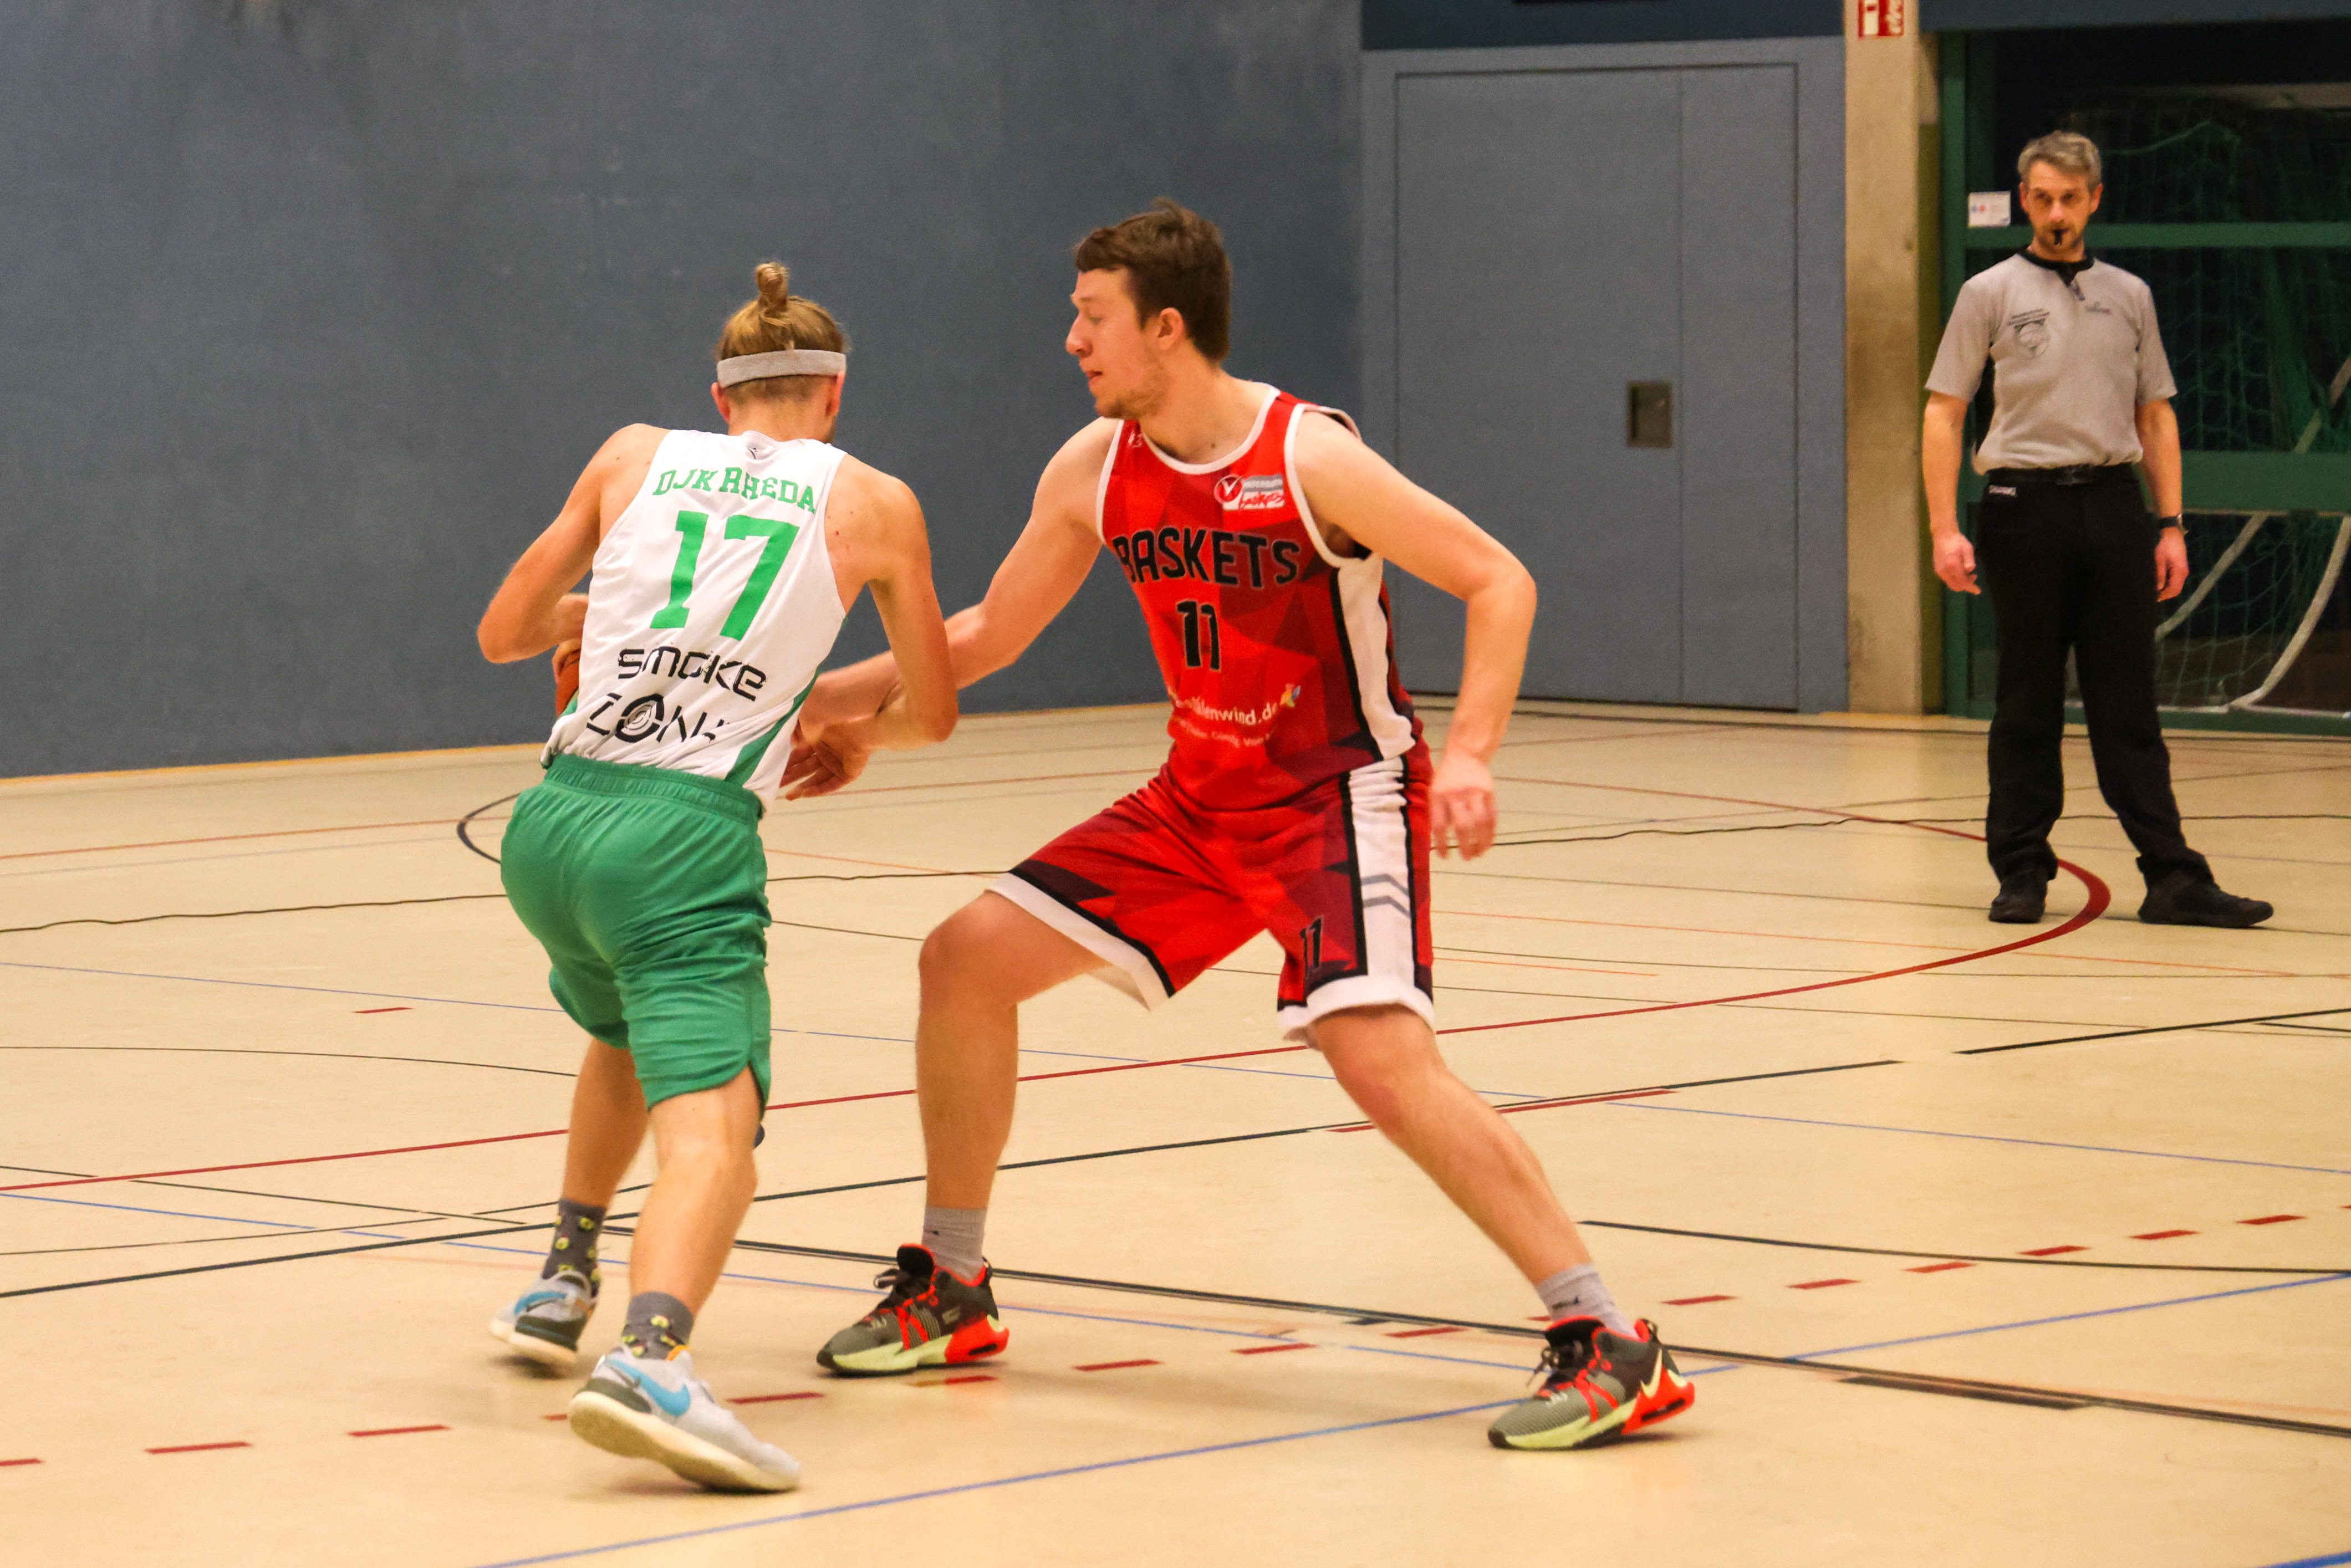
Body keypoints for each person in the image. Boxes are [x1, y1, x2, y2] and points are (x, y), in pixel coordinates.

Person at [784, 201, 1695, 1452]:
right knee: (965, 958)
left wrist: (1474, 753)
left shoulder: (1307, 456)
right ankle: (951, 1284)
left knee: (1374, 1052)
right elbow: (986, 632)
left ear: (1166, 328)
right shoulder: (1095, 467)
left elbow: (1499, 579)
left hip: (1333, 796)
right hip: (1197, 801)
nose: (1072, 341)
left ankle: (1607, 1338)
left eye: (1092, 317)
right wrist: (814, 702)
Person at [476, 263, 957, 1492]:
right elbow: (934, 708)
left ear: (719, 397)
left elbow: (503, 631)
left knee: (623, 1034)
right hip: (680, 840)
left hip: (552, 824)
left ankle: (563, 1275)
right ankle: (651, 1359)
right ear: (834, 397)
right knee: (717, 1126)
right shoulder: (877, 503)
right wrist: (850, 731)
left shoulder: (631, 453)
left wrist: (590, 621)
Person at [1925, 132, 2272, 929]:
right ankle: (2021, 870)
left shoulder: (2129, 294)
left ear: (2094, 201)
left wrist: (2171, 525)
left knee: (2128, 702)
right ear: (2024, 199)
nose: (2056, 214)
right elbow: (1944, 412)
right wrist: (1945, 528)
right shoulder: (1987, 292)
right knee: (2026, 699)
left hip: (2113, 506)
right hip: (2022, 506)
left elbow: (2156, 414)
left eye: (2070, 199)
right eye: (2043, 198)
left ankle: (2174, 878)